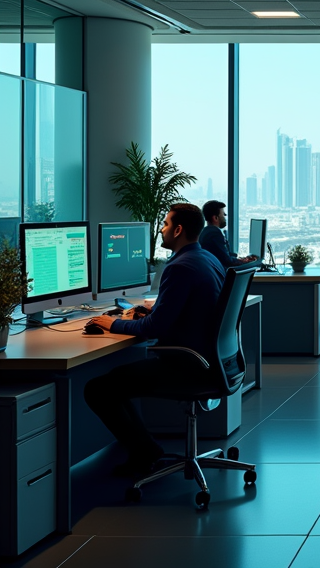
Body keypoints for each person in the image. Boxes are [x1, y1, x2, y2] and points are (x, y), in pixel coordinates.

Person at [84, 203, 227, 477]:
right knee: (114, 382)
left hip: (187, 365)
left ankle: (144, 452)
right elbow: (190, 306)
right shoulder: (207, 259)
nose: (162, 229)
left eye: (165, 224)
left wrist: (112, 322)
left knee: (99, 389)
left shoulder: (180, 267)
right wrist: (157, 306)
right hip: (210, 361)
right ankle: (145, 448)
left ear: (178, 229)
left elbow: (154, 328)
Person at [199, 200, 257, 269]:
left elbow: (224, 256)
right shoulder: (214, 233)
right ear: (215, 218)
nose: (225, 217)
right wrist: (247, 262)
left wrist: (241, 259)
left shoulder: (205, 231)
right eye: (223, 214)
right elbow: (227, 261)